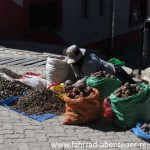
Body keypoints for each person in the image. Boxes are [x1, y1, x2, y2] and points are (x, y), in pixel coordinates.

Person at [63, 45, 135, 84]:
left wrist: (75, 85)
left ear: (80, 57)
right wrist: (68, 82)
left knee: (132, 87)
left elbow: (86, 79)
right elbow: (74, 75)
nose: (74, 63)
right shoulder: (73, 64)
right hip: (97, 81)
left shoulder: (90, 62)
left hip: (114, 75)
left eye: (75, 61)